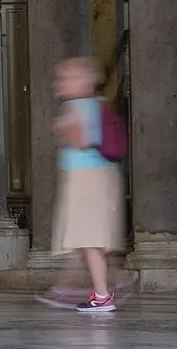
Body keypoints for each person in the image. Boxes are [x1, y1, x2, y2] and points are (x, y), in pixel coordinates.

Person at [40, 56, 123, 313]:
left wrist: (63, 128)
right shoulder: (98, 104)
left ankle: (102, 295)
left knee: (88, 238)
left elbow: (80, 140)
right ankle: (96, 289)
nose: (59, 83)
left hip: (85, 177)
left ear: (81, 81)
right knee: (88, 239)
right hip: (101, 175)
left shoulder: (74, 106)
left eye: (65, 78)